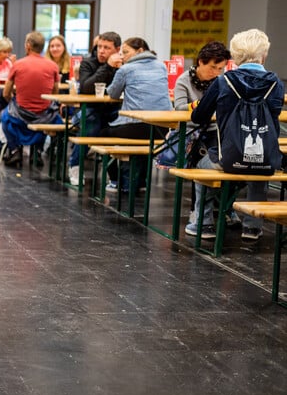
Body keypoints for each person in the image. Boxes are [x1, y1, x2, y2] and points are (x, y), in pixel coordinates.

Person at [187, 29, 283, 241]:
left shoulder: (223, 82)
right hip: (266, 157)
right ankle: (252, 227)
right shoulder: (276, 83)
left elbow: (199, 116)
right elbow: (274, 114)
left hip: (227, 157)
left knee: (201, 167)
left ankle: (203, 224)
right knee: (259, 166)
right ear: (264, 55)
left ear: (236, 57)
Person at [172, 41, 235, 228]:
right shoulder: (184, 80)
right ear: (200, 62)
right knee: (200, 157)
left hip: (214, 129)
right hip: (191, 130)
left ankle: (224, 208)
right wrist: (201, 105)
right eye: (213, 67)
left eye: (221, 68)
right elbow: (179, 108)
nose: (216, 72)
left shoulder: (220, 81)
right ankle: (197, 211)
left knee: (228, 155)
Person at [102, 37, 171, 191]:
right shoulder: (161, 66)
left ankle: (116, 181)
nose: (122, 56)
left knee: (102, 133)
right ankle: (141, 182)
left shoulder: (126, 69)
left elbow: (113, 93)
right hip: (162, 128)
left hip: (136, 127)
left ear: (140, 51)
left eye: (125, 52)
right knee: (145, 139)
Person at [0, 31, 61, 168]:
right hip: (44, 114)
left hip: (21, 114)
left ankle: (15, 150)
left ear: (28, 46)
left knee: (5, 117)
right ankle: (37, 151)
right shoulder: (53, 66)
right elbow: (55, 93)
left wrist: (13, 99)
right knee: (55, 118)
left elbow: (5, 93)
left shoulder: (18, 65)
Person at [68, 30, 123, 182]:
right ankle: (75, 166)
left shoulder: (123, 64)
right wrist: (107, 66)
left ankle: (119, 178)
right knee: (91, 122)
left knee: (127, 124)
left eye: (106, 48)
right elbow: (86, 87)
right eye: (100, 47)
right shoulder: (88, 62)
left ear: (117, 50)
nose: (101, 51)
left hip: (113, 109)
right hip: (88, 109)